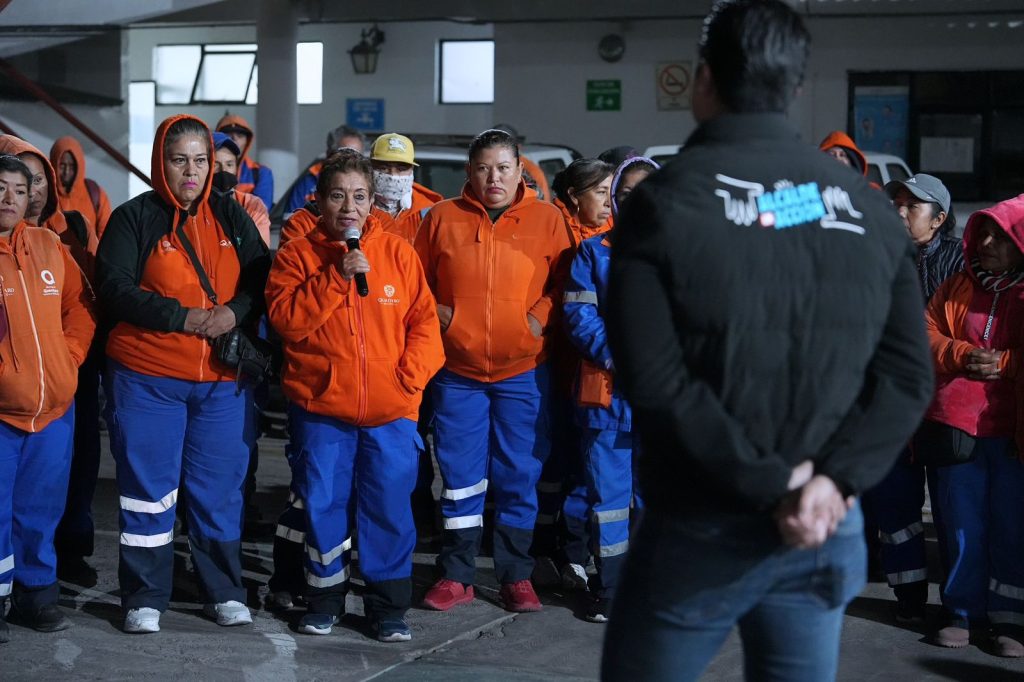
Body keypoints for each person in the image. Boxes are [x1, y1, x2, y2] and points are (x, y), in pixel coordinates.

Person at [600, 2, 934, 680]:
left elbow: (654, 379)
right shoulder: (867, 209)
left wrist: (768, 480)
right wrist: (831, 483)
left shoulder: (664, 206)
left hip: (701, 523)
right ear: (797, 87)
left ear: (702, 80)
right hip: (822, 523)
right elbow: (907, 377)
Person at [95, 114, 270, 634]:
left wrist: (235, 312)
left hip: (221, 384)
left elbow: (264, 277)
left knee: (218, 490)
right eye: (179, 161)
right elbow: (114, 287)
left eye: (200, 160)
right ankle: (144, 596)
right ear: (160, 163)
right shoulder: (134, 218)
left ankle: (224, 592)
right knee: (148, 492)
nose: (191, 172)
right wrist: (184, 317)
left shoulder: (231, 215)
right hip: (147, 378)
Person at [266, 150, 444, 642]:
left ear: (372, 203)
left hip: (391, 412)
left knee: (388, 507)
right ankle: (324, 599)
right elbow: (287, 322)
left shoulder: (398, 253)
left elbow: (425, 325)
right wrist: (334, 276)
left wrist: (408, 381)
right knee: (323, 506)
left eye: (359, 196)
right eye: (338, 195)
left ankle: (388, 609)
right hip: (323, 411)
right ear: (320, 201)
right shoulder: (297, 255)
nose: (349, 206)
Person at [415, 128, 571, 613]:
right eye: (483, 168)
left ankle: (515, 575)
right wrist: (447, 317)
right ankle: (457, 573)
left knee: (517, 473)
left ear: (520, 170)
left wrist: (535, 321)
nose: (493, 178)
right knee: (460, 476)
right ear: (469, 173)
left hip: (523, 372)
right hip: (458, 373)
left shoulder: (548, 219)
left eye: (503, 167)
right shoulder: (440, 217)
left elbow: (565, 284)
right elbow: (415, 281)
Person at [922, 195, 1024, 656]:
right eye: (981, 233)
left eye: (999, 237)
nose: (984, 243)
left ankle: (1010, 617)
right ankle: (961, 611)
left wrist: (1008, 363)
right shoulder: (957, 286)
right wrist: (960, 354)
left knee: (1012, 525)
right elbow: (924, 333)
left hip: (1014, 434)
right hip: (959, 432)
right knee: (962, 524)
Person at [559, 155, 659, 623]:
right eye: (624, 195)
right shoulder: (591, 253)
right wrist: (617, 355)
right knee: (609, 500)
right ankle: (611, 585)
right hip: (607, 399)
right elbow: (579, 316)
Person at [0, 153, 96, 639]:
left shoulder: (49, 246)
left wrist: (68, 357)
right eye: (0, 187)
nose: (9, 198)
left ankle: (35, 597)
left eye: (19, 189)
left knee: (41, 508)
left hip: (53, 408)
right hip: (2, 410)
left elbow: (80, 308)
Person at [862, 173, 961, 623]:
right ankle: (908, 599)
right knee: (895, 504)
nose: (899, 212)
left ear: (938, 219)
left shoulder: (961, 264)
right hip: (887, 404)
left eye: (912, 206)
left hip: (945, 405)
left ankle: (960, 605)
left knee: (949, 506)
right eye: (896, 203)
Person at [533, 158, 614, 590]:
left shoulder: (611, 241)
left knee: (588, 470)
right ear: (573, 197)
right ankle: (544, 547)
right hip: (557, 368)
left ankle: (572, 551)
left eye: (610, 191)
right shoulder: (562, 235)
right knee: (555, 463)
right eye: (599, 192)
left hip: (595, 376)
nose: (608, 200)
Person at [369, 133, 443, 244]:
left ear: (412, 170)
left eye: (401, 168)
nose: (392, 175)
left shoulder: (430, 213)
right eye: (383, 168)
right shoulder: (356, 209)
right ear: (370, 168)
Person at [284, 125, 366, 216]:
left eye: (357, 156)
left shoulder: (369, 184)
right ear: (329, 154)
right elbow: (290, 220)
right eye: (345, 155)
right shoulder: (308, 183)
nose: (349, 207)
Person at [212, 132, 271, 247]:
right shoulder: (193, 207)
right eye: (215, 164)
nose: (223, 170)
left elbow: (258, 253)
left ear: (236, 168)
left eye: (229, 164)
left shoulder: (252, 204)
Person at [49, 136, 113, 239]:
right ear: (53, 163)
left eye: (72, 166)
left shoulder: (96, 194)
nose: (66, 171)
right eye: (62, 165)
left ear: (80, 165)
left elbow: (106, 235)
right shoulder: (45, 193)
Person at [215, 115, 275, 211]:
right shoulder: (205, 169)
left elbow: (259, 211)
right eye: (228, 134)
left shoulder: (262, 173)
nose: (234, 139)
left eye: (240, 135)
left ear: (247, 141)